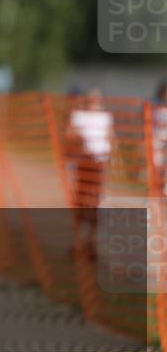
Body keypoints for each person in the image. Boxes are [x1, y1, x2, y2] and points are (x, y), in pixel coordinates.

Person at [65, 87, 115, 259]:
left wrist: (113, 160)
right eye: (92, 99)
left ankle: (91, 243)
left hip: (98, 164)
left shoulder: (105, 117)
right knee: (79, 203)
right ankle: (78, 242)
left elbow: (110, 138)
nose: (95, 102)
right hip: (82, 164)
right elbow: (70, 135)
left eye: (97, 99)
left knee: (95, 203)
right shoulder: (78, 115)